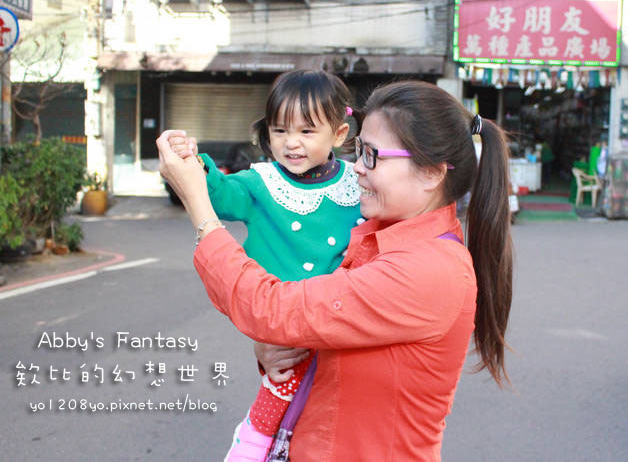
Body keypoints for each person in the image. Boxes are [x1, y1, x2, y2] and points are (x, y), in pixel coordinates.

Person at [158, 80, 514, 461]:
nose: (357, 168)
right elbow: (303, 320)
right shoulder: (378, 236)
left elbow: (274, 308)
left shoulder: (426, 270)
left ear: (431, 172)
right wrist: (277, 342)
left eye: (373, 156)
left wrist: (197, 203)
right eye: (360, 150)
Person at [166, 69, 363, 462]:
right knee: (278, 409)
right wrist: (191, 159)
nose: (291, 143)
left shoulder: (358, 183)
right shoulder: (262, 182)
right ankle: (250, 449)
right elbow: (220, 193)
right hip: (284, 332)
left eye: (307, 132)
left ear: (339, 135)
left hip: (342, 329)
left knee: (332, 421)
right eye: (279, 131)